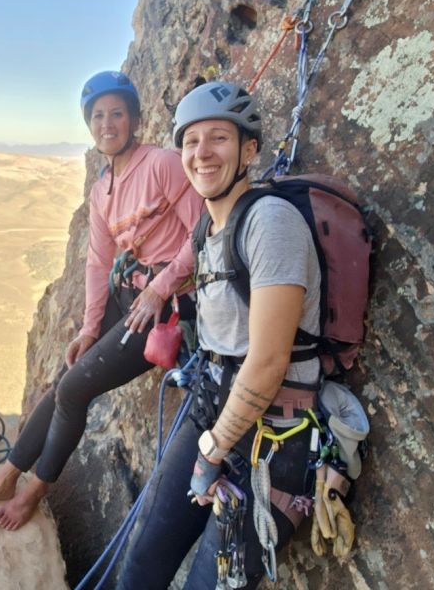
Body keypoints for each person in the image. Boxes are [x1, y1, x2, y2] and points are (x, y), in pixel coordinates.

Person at [0, 70, 203, 530]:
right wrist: (89, 328)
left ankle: (33, 489)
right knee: (67, 377)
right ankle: (8, 474)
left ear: (134, 119)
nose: (108, 124)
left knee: (74, 389)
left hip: (164, 308)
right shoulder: (102, 189)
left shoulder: (162, 164)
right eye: (99, 116)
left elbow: (203, 231)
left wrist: (160, 288)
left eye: (117, 114)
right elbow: (96, 262)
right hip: (128, 298)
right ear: (90, 126)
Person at [117, 80, 321, 589]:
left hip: (274, 438)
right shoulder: (206, 232)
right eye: (190, 141)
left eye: (219, 139)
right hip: (214, 411)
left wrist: (211, 453)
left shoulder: (271, 222)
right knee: (142, 561)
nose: (202, 154)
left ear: (250, 149)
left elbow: (269, 362)